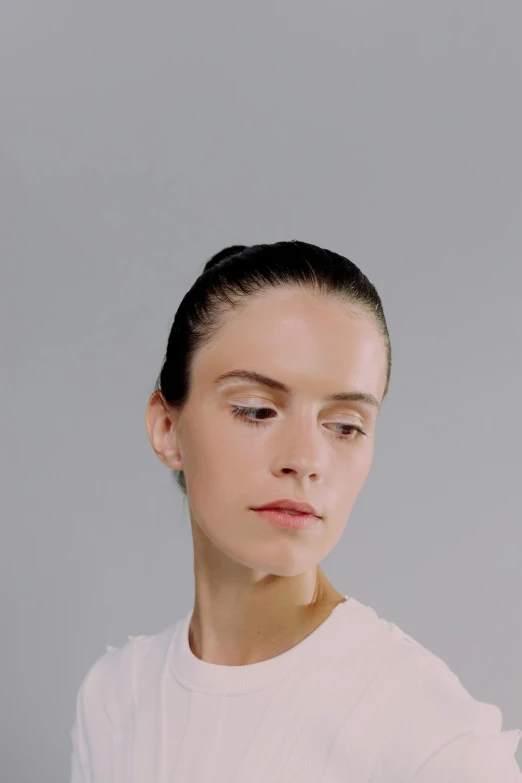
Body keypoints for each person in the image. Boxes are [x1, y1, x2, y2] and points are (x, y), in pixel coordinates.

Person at [70, 241, 521, 781]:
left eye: (345, 425)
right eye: (258, 410)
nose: (306, 460)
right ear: (168, 428)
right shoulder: (115, 698)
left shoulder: (430, 739)